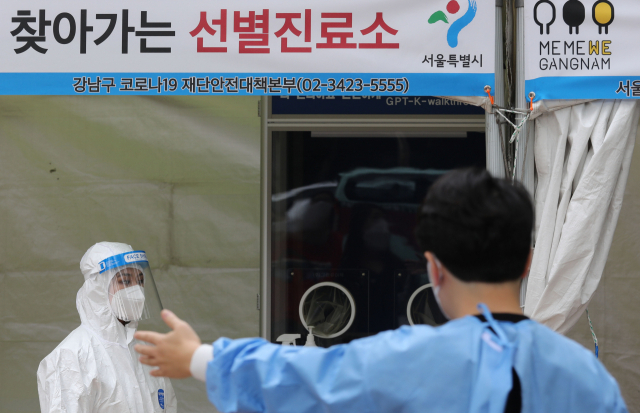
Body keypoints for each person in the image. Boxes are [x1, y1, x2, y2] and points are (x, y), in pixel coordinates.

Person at [134, 169, 627, 413]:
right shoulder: (589, 378)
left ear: (433, 269)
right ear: (528, 261)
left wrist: (199, 358)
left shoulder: (410, 358)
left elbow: (307, 379)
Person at [37, 242, 177, 413]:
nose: (136, 291)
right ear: (98, 288)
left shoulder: (147, 353)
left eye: (140, 281)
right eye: (124, 281)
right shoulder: (72, 356)